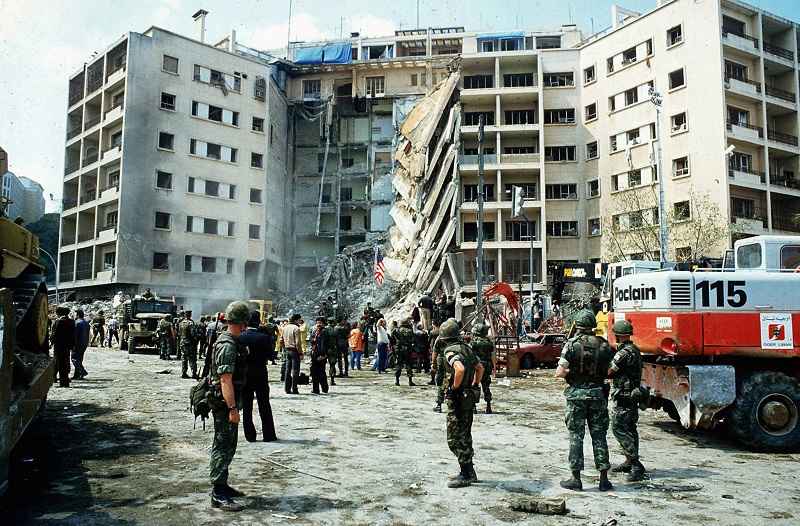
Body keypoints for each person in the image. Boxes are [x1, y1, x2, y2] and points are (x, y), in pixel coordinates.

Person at [555, 309, 614, 492]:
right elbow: (611, 371)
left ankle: (576, 478)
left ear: (578, 325)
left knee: (576, 436)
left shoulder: (571, 345)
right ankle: (604, 479)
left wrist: (574, 373)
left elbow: (560, 372)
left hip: (576, 397)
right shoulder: (604, 346)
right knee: (599, 436)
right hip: (598, 396)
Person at [208, 301, 250, 512]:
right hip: (225, 405)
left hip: (228, 403)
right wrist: (233, 409)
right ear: (241, 323)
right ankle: (218, 493)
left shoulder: (232, 341)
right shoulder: (227, 345)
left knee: (228, 445)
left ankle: (222, 484)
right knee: (223, 446)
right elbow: (225, 380)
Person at [440, 318, 483, 488]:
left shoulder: (450, 351)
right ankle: (467, 470)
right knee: (465, 433)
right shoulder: (468, 349)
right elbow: (480, 368)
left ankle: (467, 473)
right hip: (469, 396)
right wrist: (474, 384)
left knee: (454, 438)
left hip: (458, 398)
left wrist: (454, 388)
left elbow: (459, 369)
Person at [608, 319, 647, 482]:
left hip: (623, 395)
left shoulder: (622, 353)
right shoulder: (635, 350)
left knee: (618, 427)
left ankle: (636, 465)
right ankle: (629, 461)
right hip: (633, 394)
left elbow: (610, 370)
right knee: (631, 428)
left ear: (618, 335)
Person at [238, 310, 277, 442]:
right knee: (264, 404)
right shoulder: (264, 337)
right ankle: (269, 435)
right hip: (260, 373)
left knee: (247, 406)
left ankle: (250, 435)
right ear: (258, 321)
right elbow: (272, 356)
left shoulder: (240, 337)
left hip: (245, 374)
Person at [470, 322, 496, 414]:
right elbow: (493, 355)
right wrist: (494, 367)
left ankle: (473, 407)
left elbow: (470, 355)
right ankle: (488, 406)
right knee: (486, 386)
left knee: (474, 386)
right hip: (487, 366)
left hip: (478, 367)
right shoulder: (489, 343)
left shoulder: (474, 343)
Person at [51, 306, 74, 387]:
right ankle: (65, 382)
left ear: (58, 313)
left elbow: (54, 334)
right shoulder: (71, 321)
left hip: (58, 346)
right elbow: (72, 335)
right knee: (65, 363)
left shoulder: (58, 322)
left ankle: (59, 380)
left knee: (58, 363)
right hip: (67, 346)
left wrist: (51, 342)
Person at [281, 314, 302, 394]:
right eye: (299, 320)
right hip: (294, 351)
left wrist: (284, 348)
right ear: (296, 320)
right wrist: (300, 353)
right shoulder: (296, 328)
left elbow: (281, 340)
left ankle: (287, 388)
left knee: (287, 370)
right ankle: (294, 388)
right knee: (295, 370)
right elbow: (298, 343)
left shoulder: (284, 327)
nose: (300, 321)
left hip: (287, 350)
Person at [392, 318, 416, 386]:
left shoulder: (397, 330)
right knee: (408, 364)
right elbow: (413, 340)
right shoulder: (410, 330)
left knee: (399, 364)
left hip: (399, 349)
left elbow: (392, 337)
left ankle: (397, 381)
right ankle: (410, 381)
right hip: (407, 349)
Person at [309, 317, 329, 394]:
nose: (318, 324)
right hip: (314, 353)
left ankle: (324, 388)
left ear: (323, 324)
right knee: (314, 372)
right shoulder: (314, 331)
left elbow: (324, 344)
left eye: (320, 323)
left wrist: (323, 355)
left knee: (321, 372)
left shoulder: (324, 332)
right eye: (317, 322)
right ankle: (315, 389)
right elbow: (311, 340)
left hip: (321, 354)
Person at [179, 311, 198, 379]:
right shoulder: (190, 323)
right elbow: (193, 334)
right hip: (190, 343)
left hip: (182, 342)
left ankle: (184, 373)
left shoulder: (181, 323)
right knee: (192, 358)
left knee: (184, 358)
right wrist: (196, 339)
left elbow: (179, 333)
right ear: (190, 315)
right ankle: (194, 373)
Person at [73, 309, 90, 379]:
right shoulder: (86, 323)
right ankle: (77, 375)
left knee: (74, 359)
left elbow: (75, 335)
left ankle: (82, 371)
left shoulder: (77, 323)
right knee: (79, 359)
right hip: (84, 343)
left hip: (77, 344)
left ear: (77, 315)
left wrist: (73, 344)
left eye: (75, 314)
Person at [324, 318, 338, 386]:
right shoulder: (335, 330)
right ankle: (332, 380)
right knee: (332, 365)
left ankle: (322, 379)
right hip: (332, 349)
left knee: (321, 365)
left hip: (324, 349)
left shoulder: (324, 329)